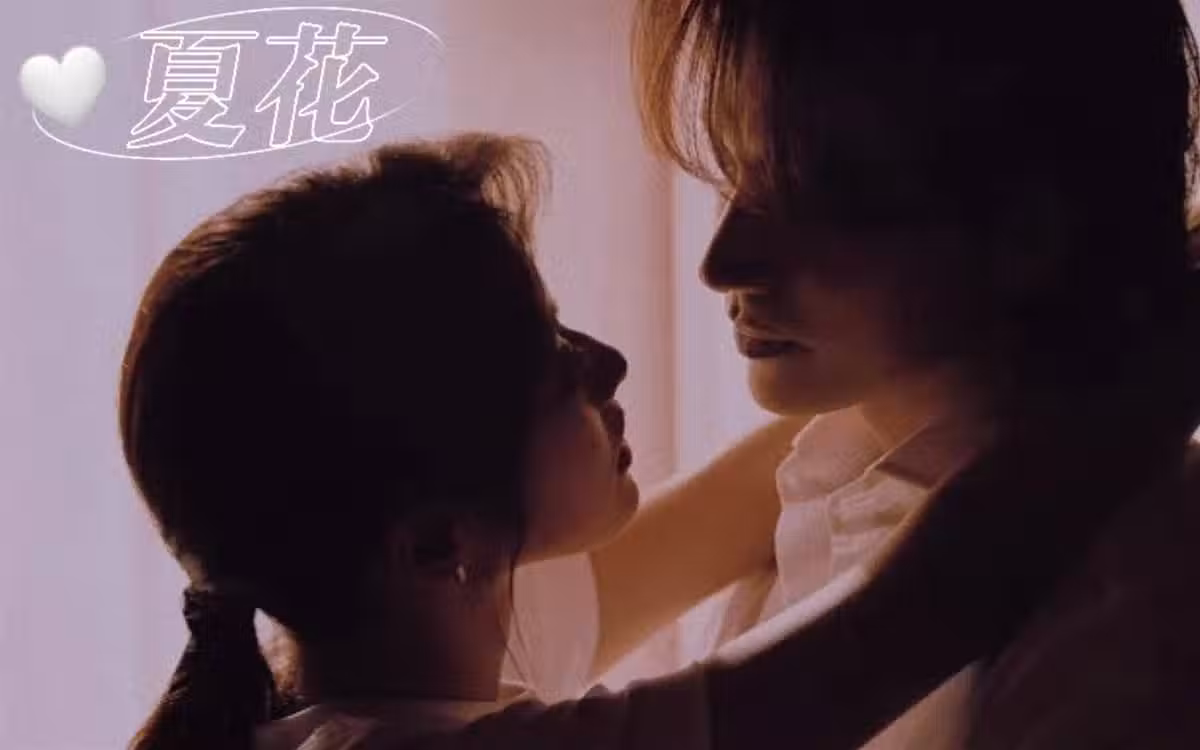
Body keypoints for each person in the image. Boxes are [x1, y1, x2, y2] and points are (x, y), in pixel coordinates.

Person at [120, 132, 1186, 750]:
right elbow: (917, 611)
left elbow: (769, 480)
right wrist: (1163, 347)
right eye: (550, 362)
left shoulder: (403, 640)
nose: (610, 364)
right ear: (442, 542)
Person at [499, 0, 1200, 746]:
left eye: (796, 197)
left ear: (1028, 229)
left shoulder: (1125, 629)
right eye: (733, 180)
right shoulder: (831, 468)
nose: (720, 264)